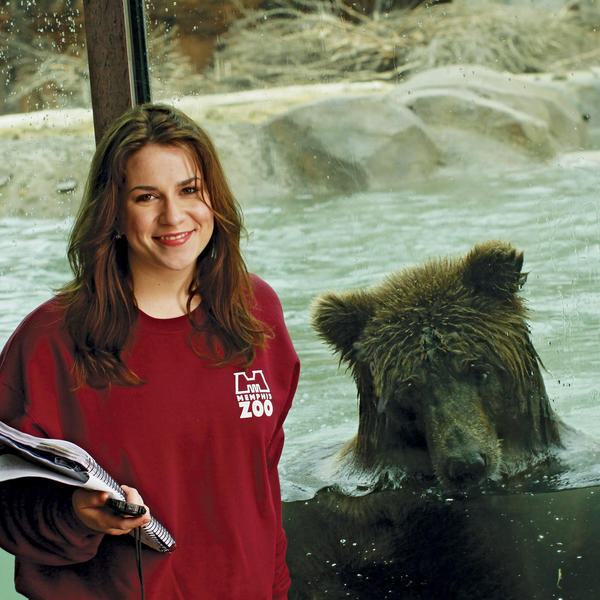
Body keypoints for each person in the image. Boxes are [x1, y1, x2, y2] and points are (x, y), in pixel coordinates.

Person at [0, 103, 300, 599]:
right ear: (114, 213)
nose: (174, 216)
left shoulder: (257, 311)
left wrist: (276, 588)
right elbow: (7, 505)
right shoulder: (48, 342)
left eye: (189, 190)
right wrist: (75, 515)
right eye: (146, 197)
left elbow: (263, 483)